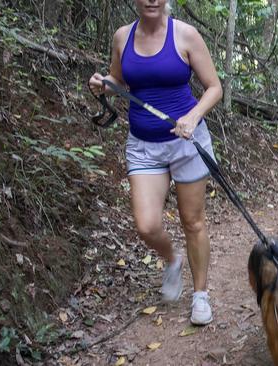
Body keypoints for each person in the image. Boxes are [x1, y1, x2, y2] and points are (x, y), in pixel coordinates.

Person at [88, 0, 222, 325]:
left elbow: (214, 88)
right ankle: (173, 261)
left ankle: (200, 296)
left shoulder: (186, 35)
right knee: (146, 225)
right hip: (144, 146)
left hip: (187, 143)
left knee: (193, 222)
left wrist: (192, 117)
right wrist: (104, 84)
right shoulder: (123, 37)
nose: (151, 0)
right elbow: (120, 82)